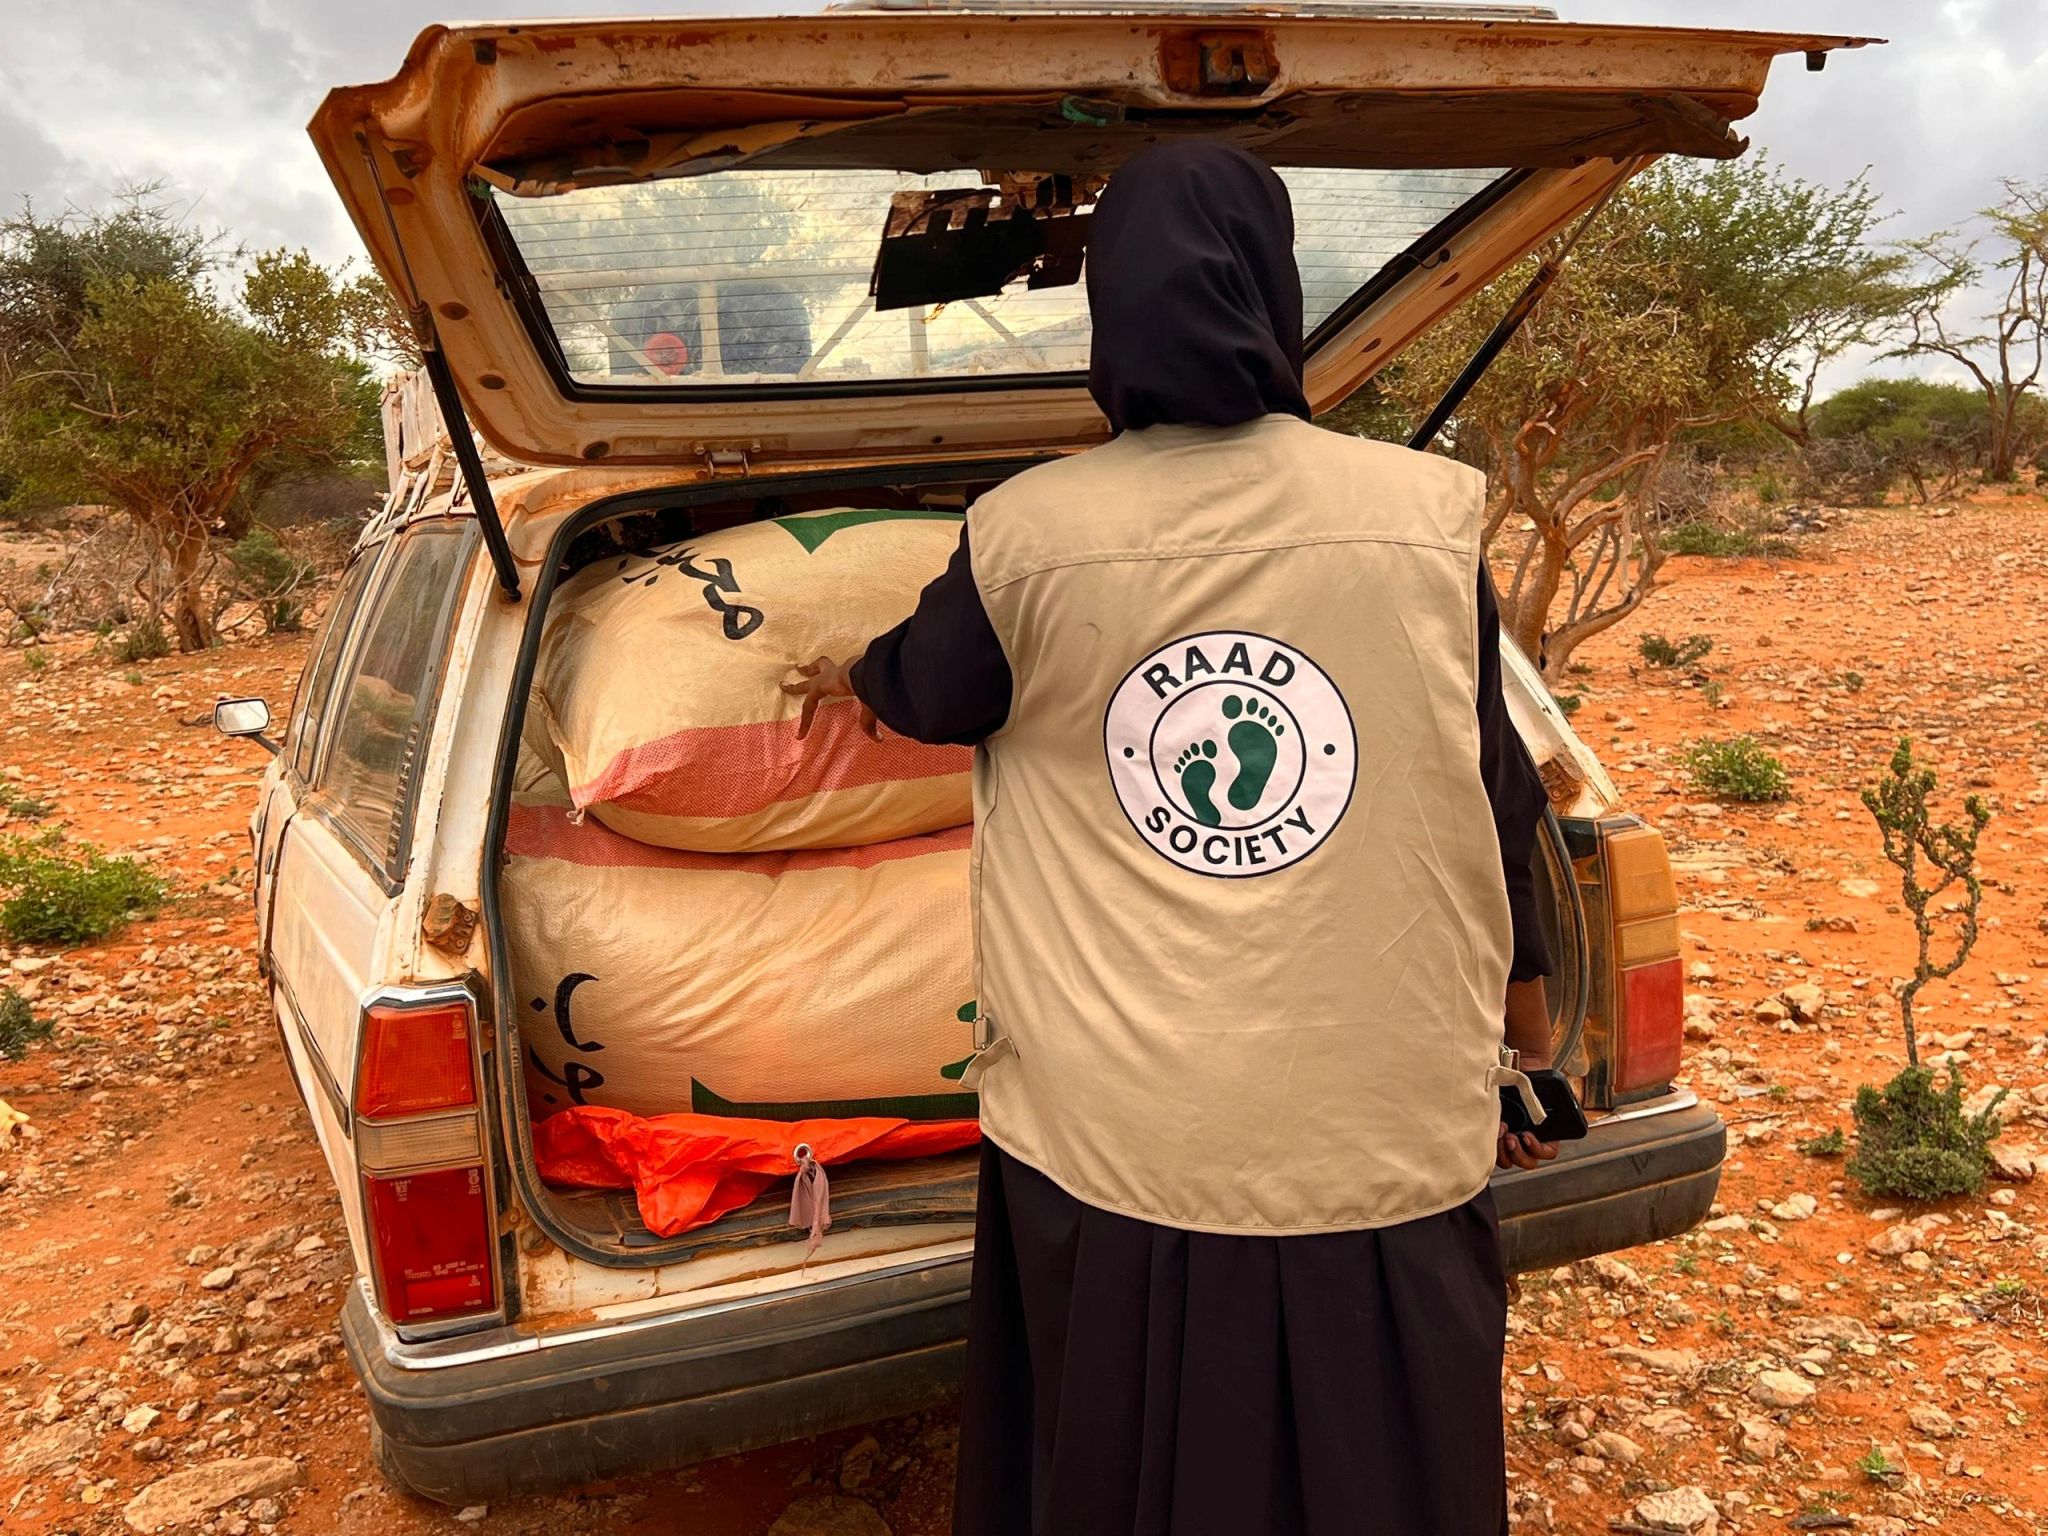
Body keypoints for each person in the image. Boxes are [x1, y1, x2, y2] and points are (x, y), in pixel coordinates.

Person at [784, 141, 1557, 1536]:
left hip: (1124, 1140)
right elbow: (1490, 782)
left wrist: (846, 668)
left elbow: (928, 689)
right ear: (1278, 289)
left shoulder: (1026, 533)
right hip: (1379, 1127)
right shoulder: (1424, 518)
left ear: (1111, 308)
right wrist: (1529, 1017)